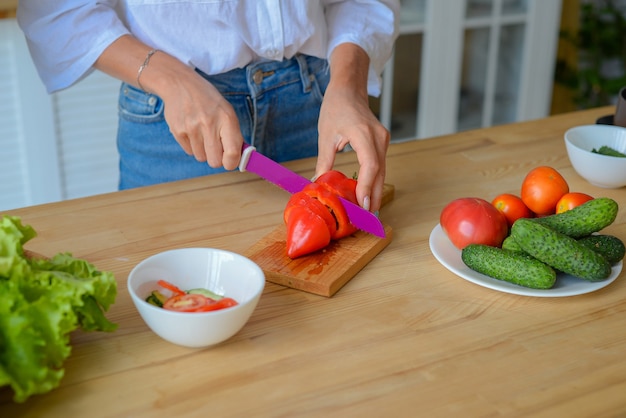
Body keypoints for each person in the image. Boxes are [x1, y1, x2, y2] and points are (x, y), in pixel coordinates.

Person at [17, 1, 399, 213]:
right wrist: (171, 79)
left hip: (315, 108)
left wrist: (347, 85)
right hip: (175, 124)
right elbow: (55, 9)